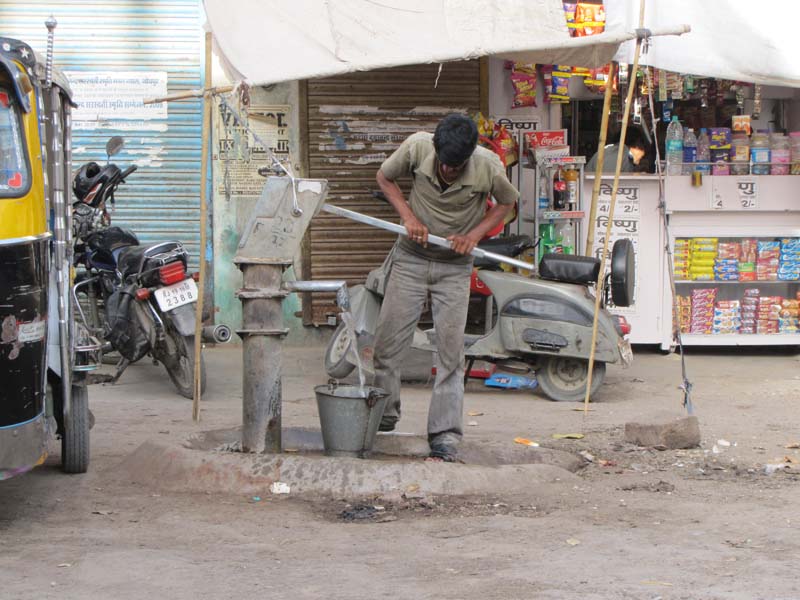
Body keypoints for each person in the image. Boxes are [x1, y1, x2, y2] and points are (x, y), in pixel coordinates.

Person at [373, 113, 519, 462]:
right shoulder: (417, 146)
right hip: (410, 259)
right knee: (387, 345)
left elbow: (507, 204)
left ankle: (445, 433)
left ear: (469, 156)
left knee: (451, 355)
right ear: (436, 150)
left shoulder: (488, 166)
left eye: (458, 166)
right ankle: (384, 416)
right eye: (446, 164)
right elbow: (384, 177)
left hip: (454, 268)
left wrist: (473, 236)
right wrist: (408, 217)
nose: (450, 171)